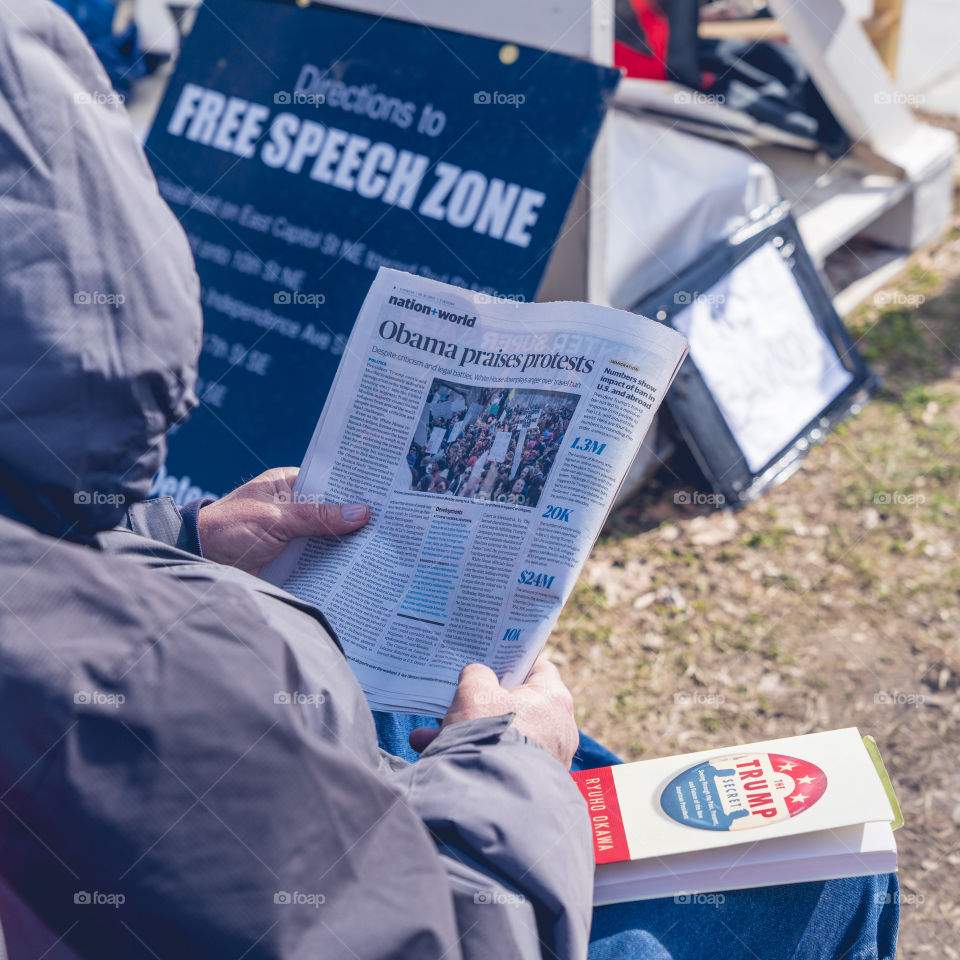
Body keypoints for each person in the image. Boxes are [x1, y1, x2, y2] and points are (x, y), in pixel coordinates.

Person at [0, 3, 899, 959]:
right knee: (826, 873)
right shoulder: (132, 688)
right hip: (460, 883)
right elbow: (419, 940)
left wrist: (169, 539)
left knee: (412, 698)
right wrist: (509, 775)